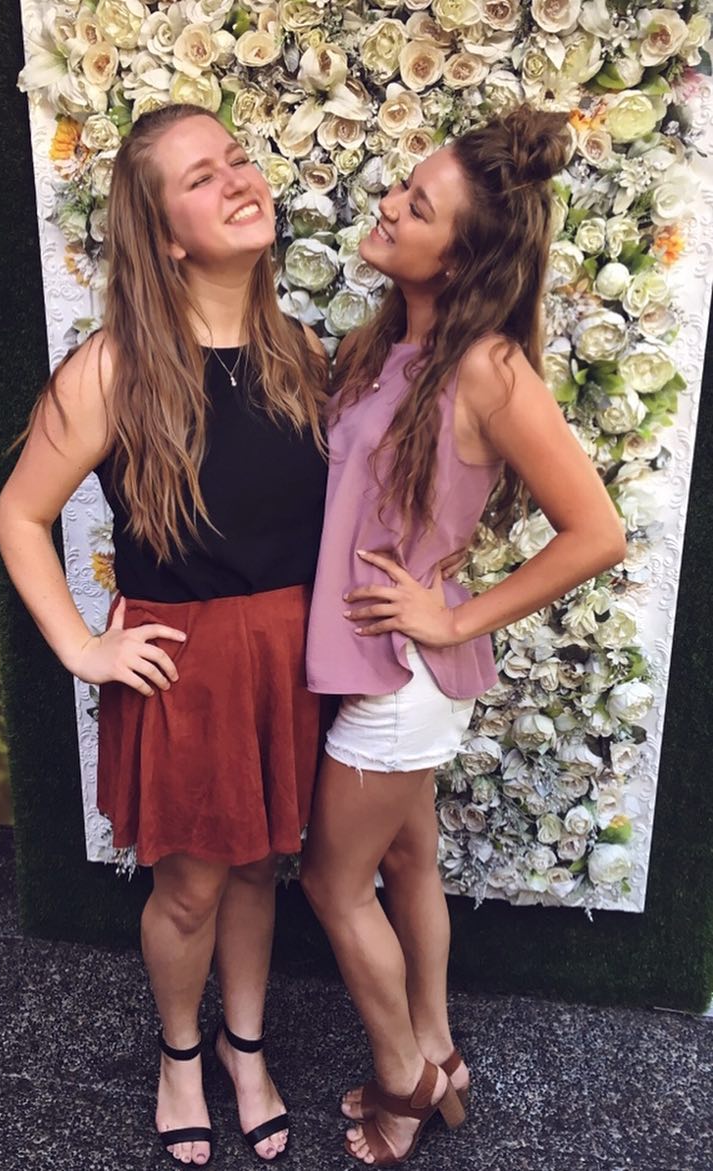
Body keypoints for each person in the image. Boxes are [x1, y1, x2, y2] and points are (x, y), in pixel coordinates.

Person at [0, 104, 331, 1166]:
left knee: (259, 868)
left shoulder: (299, 353)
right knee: (190, 886)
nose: (237, 178)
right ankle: (180, 1054)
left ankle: (245, 1046)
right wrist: (81, 647)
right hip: (183, 665)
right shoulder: (111, 370)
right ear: (165, 235)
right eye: (200, 177)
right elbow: (19, 514)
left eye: (237, 157)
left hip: (286, 654)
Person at [299, 106, 627, 1168]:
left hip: (395, 676)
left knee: (331, 883)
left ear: (460, 256)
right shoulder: (387, 345)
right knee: (408, 860)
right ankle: (438, 1050)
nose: (389, 206)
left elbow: (597, 532)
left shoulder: (486, 367)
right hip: (377, 666)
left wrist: (452, 614)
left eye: (417, 205)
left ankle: (402, 1077)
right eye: (402, 187)